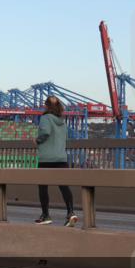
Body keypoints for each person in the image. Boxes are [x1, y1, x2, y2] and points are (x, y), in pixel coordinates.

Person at [35, 95, 78, 227]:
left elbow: (45, 132)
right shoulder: (62, 121)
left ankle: (45, 215)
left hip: (46, 159)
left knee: (43, 187)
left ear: (46, 106)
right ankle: (71, 213)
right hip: (61, 158)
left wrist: (37, 140)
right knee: (64, 187)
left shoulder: (45, 118)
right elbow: (64, 138)